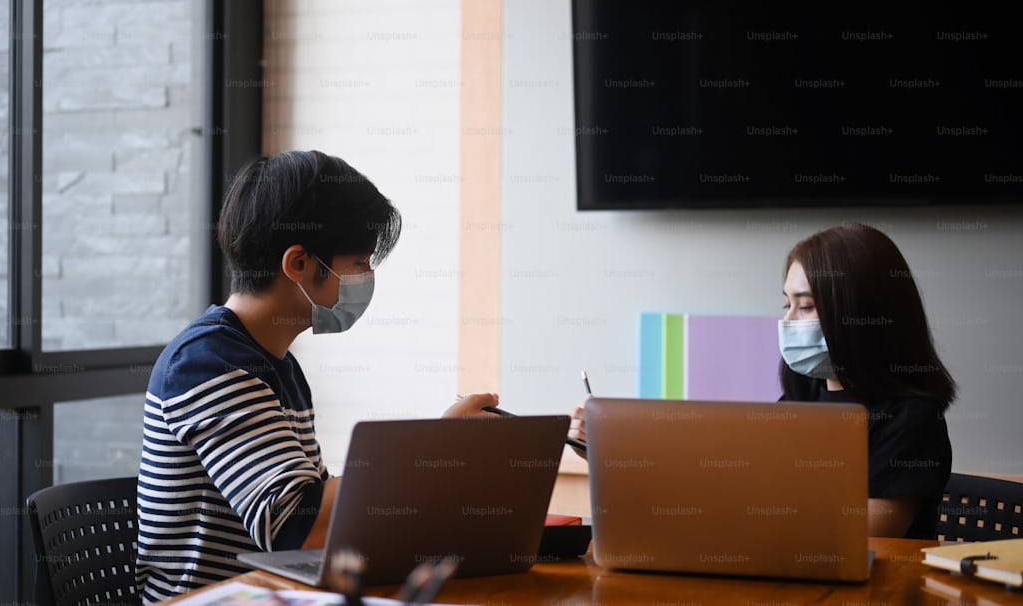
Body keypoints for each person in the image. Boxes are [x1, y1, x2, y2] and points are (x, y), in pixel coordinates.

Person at [135, 150, 497, 603]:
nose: (367, 277)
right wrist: (438, 448)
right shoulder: (207, 363)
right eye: (360, 262)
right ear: (299, 264)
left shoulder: (276, 363)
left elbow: (322, 511)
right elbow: (296, 527)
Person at [568, 223, 954, 539]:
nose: (787, 321)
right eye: (787, 303)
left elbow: (871, 534)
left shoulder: (911, 417)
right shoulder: (805, 395)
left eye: (806, 306)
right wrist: (615, 454)